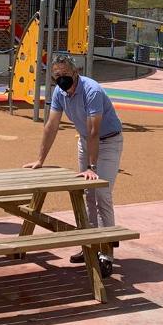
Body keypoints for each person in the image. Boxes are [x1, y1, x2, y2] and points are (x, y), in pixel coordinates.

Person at [24, 54, 124, 277]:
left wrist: (92, 167)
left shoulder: (92, 91)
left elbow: (94, 131)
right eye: (57, 76)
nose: (61, 79)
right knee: (86, 194)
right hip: (85, 140)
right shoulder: (59, 93)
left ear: (75, 72)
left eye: (65, 75)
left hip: (107, 141)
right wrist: (41, 160)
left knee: (102, 193)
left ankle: (106, 253)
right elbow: (51, 125)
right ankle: (89, 246)